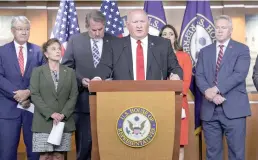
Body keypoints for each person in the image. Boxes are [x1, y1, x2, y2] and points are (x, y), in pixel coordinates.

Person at [61, 10, 116, 160]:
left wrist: (111, 80)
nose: (98, 33)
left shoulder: (115, 40)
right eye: (94, 30)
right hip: (83, 103)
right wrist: (80, 80)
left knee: (109, 148)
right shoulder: (75, 41)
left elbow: (121, 66)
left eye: (101, 29)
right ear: (87, 27)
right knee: (84, 148)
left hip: (110, 104)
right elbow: (66, 68)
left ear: (104, 25)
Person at [195, 15, 251, 160]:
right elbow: (199, 75)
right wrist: (211, 94)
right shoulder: (204, 51)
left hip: (234, 109)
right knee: (212, 154)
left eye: (223, 27)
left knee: (236, 154)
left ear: (230, 30)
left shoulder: (242, 49)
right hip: (210, 110)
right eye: (217, 27)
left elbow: (239, 74)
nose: (219, 30)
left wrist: (215, 89)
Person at [0, 16, 45, 160]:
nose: (24, 32)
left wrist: (28, 92)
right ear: (13, 31)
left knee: (34, 154)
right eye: (20, 29)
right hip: (8, 110)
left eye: (26, 29)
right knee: (6, 153)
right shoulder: (1, 51)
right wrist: (17, 94)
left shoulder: (38, 51)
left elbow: (44, 78)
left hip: (32, 110)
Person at [96, 9, 183, 80]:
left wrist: (176, 76)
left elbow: (175, 68)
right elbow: (104, 67)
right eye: (135, 22)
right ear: (127, 24)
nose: (139, 26)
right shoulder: (115, 45)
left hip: (155, 97)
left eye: (142, 21)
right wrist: (97, 78)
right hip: (123, 98)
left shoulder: (163, 44)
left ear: (148, 23)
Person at [30, 38, 78, 160]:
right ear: (46, 54)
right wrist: (51, 114)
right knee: (45, 155)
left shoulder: (70, 72)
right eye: (53, 49)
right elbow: (35, 95)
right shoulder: (37, 72)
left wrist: (63, 114)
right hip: (43, 121)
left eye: (59, 48)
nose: (58, 51)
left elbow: (73, 95)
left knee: (58, 156)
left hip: (63, 122)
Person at [159, 24, 192, 160]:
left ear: (175, 37)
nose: (167, 36)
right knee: (160, 142)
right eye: (164, 34)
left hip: (179, 103)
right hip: (159, 103)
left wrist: (172, 94)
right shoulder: (156, 56)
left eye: (171, 34)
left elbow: (186, 82)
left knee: (179, 143)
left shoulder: (184, 56)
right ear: (160, 37)